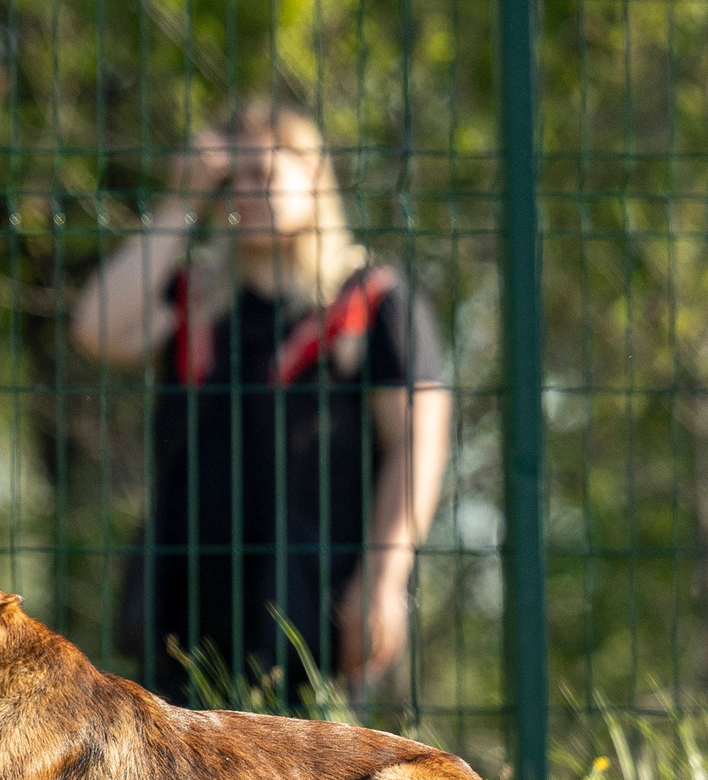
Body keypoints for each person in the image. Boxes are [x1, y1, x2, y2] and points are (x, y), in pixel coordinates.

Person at [69, 101, 452, 712]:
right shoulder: (195, 297)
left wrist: (384, 578)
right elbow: (96, 328)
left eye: (265, 175)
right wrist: (182, 201)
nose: (248, 192)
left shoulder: (373, 301)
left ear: (314, 178)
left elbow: (419, 444)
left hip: (309, 595)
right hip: (186, 590)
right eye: (235, 179)